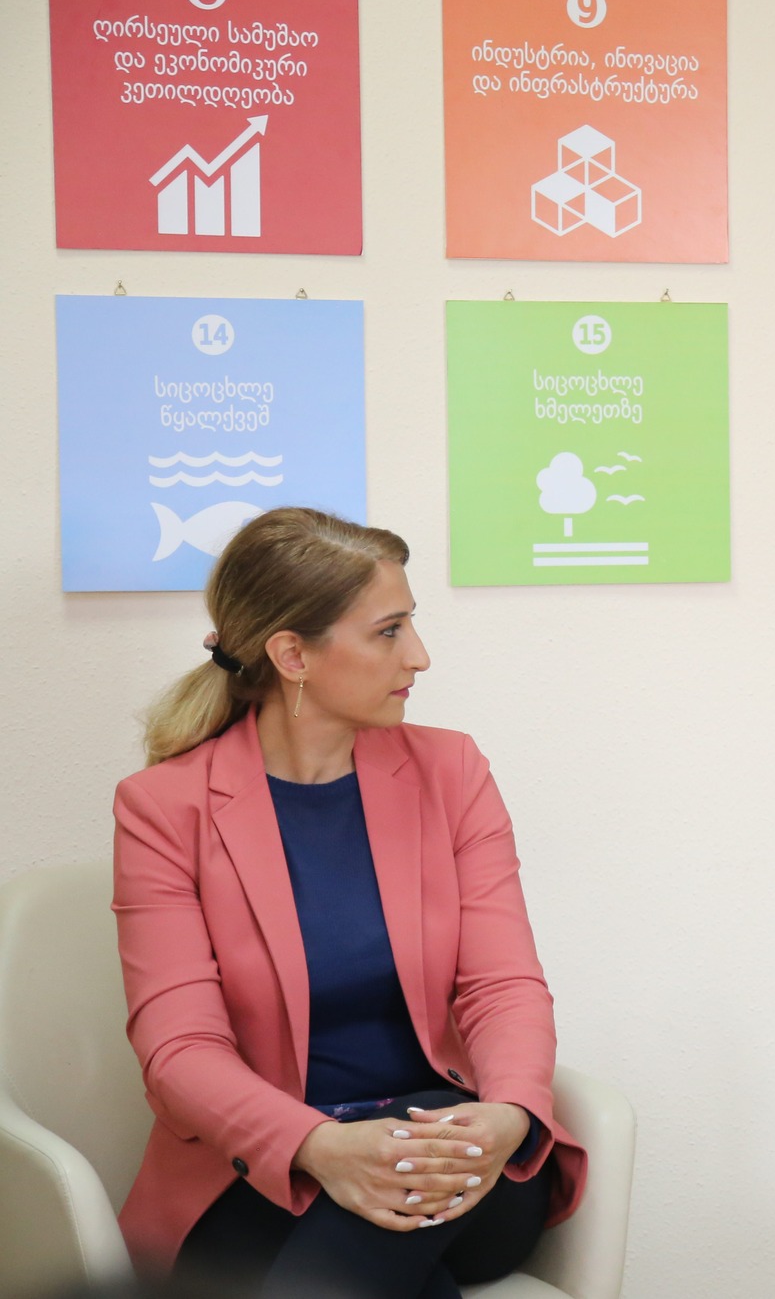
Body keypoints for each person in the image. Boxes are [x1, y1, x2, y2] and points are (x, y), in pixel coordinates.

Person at [112, 508, 586, 1299]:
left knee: (414, 1153)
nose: (420, 655)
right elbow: (179, 1046)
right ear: (292, 654)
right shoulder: (163, 807)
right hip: (266, 1168)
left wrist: (508, 1112)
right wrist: (320, 1145)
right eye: (389, 631)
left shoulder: (451, 771)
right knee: (379, 1263)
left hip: (455, 1153)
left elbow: (503, 984)